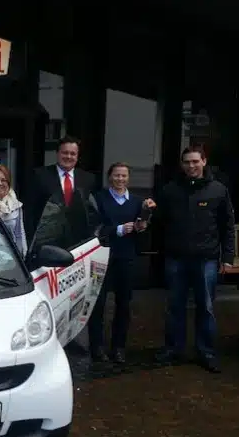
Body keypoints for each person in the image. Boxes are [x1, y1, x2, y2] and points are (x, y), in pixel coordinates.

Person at [155, 144, 235, 373]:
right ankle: (173, 349)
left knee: (206, 308)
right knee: (174, 307)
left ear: (204, 162)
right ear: (182, 165)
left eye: (195, 161)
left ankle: (206, 351)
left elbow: (227, 226)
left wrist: (227, 256)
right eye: (187, 162)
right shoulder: (170, 190)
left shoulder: (218, 190)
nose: (191, 166)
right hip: (176, 259)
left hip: (206, 259)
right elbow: (159, 222)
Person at [30, 135, 98, 355]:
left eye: (73, 153)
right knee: (50, 293)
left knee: (74, 293)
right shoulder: (39, 175)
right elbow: (31, 211)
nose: (68, 157)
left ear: (77, 156)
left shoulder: (88, 179)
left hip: (76, 248)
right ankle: (49, 339)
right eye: (65, 152)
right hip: (47, 248)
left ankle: (72, 338)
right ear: (57, 153)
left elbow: (91, 212)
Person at [88, 162, 156, 363]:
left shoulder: (137, 202)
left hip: (126, 257)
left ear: (128, 178)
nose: (120, 179)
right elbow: (94, 228)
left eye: (124, 176)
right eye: (116, 175)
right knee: (98, 303)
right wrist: (117, 230)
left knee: (123, 304)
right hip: (102, 256)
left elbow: (142, 227)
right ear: (110, 177)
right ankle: (97, 347)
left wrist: (143, 225)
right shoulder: (99, 198)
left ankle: (118, 347)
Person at [0, 164, 27, 256]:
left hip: (10, 260)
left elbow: (19, 235)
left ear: (8, 183)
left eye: (3, 180)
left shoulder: (15, 205)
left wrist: (22, 256)